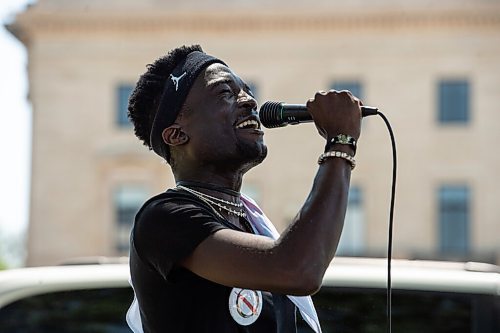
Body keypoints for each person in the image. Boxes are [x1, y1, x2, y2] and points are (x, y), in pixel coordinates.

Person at [126, 44, 362, 333]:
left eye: (247, 90)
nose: (249, 101)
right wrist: (340, 143)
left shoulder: (252, 226)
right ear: (177, 134)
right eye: (225, 93)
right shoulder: (164, 218)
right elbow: (297, 269)